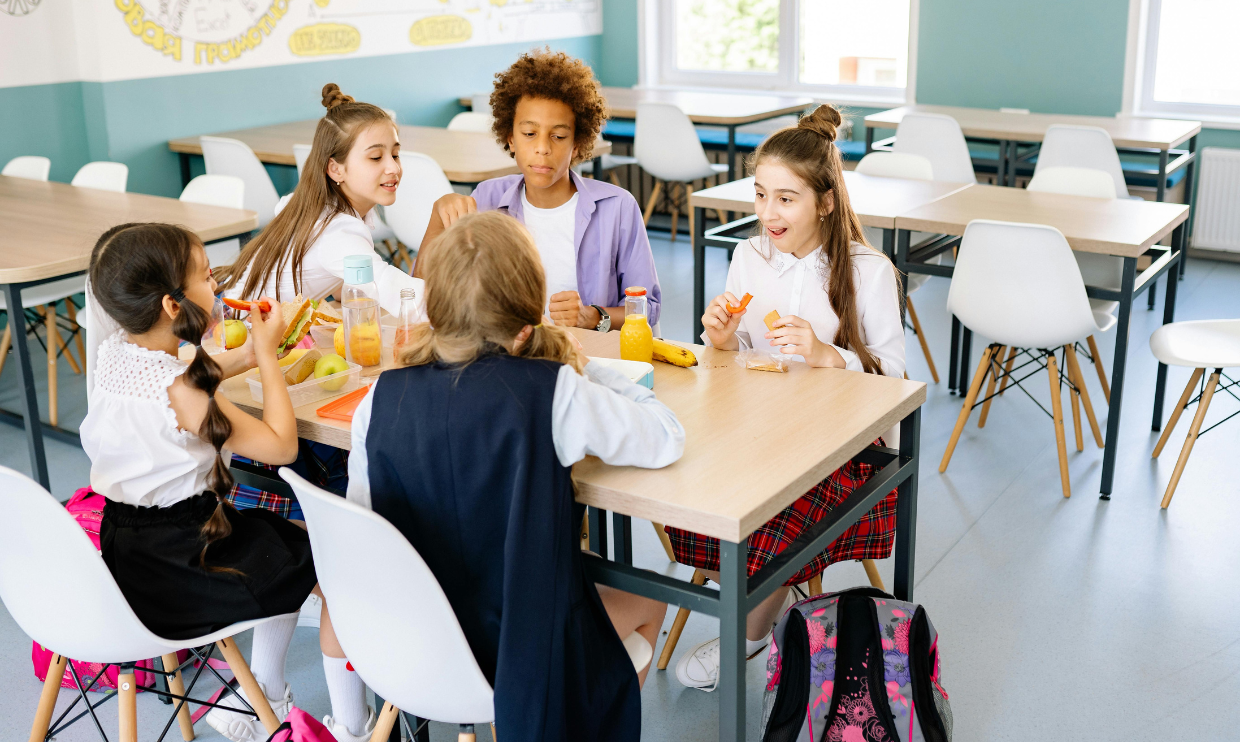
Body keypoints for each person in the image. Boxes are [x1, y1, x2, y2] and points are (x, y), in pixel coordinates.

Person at [348, 211, 681, 741]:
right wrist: (584, 369)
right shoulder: (553, 391)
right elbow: (665, 436)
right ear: (527, 328)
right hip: (525, 649)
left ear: (434, 311)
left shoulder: (379, 398)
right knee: (651, 594)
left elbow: (365, 528)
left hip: (412, 642)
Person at [82, 223, 377, 742]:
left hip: (126, 553)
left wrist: (244, 354)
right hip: (184, 562)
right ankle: (353, 728)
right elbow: (282, 447)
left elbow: (185, 378)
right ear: (174, 305)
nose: (216, 286)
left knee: (277, 541)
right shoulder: (181, 392)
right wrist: (267, 356)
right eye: (205, 276)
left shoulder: (114, 356)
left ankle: (260, 692)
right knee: (339, 571)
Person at [667, 104, 906, 690]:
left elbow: (897, 377)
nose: (767, 213)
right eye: (760, 195)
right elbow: (733, 355)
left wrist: (831, 355)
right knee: (695, 479)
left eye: (786, 198)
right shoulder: (749, 257)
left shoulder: (869, 271)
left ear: (825, 202)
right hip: (760, 429)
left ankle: (746, 634)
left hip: (841, 447)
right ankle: (776, 587)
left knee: (774, 505)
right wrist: (721, 339)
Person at [214, 83, 420, 519]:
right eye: (376, 156)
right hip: (254, 364)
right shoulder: (342, 231)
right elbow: (400, 296)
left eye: (396, 153)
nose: (393, 167)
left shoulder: (305, 203)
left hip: (233, 341)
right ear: (336, 169)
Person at [416, 48, 662, 331]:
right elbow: (425, 298)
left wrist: (593, 316)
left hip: (588, 357)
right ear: (510, 139)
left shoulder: (617, 207)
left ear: (577, 145)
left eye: (558, 136)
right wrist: (438, 216)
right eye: (529, 134)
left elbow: (649, 309)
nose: (543, 148)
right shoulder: (486, 199)